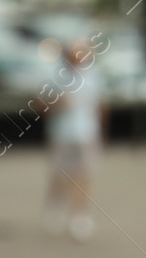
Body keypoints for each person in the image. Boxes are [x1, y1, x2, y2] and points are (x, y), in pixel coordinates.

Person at [44, 39, 106, 242]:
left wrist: (100, 133)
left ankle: (80, 216)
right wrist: (56, 104)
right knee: (60, 174)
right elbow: (40, 106)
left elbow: (100, 106)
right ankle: (56, 205)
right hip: (62, 134)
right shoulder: (57, 76)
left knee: (83, 174)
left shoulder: (94, 76)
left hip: (86, 134)